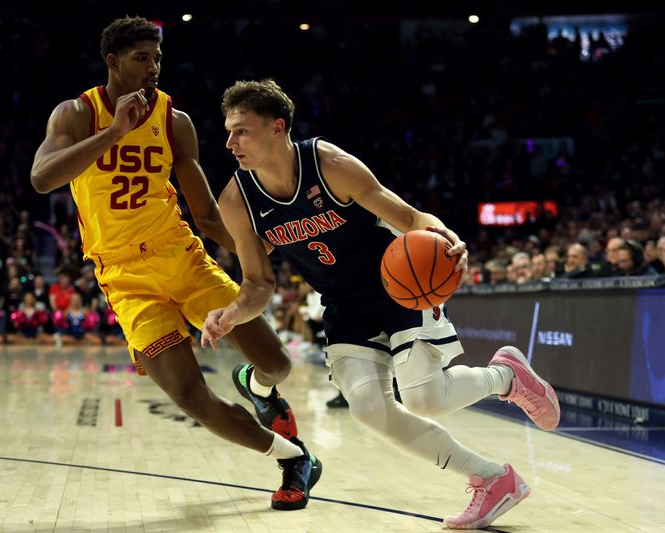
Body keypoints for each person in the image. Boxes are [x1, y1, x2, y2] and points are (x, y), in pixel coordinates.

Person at [202, 79, 560, 529]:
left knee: (425, 397)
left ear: (277, 128)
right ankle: (492, 479)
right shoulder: (237, 199)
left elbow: (409, 218)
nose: (230, 141)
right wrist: (232, 313)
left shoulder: (329, 164)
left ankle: (506, 376)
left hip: (399, 285)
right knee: (369, 409)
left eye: (242, 130)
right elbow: (257, 282)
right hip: (342, 304)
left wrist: (446, 236)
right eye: (229, 130)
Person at [30, 18, 320, 510]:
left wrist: (252, 255)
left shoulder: (174, 121)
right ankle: (294, 458)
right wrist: (115, 132)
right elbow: (41, 178)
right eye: (142, 57)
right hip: (124, 278)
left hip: (182, 258)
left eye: (158, 57)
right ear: (113, 63)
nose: (153, 67)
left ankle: (257, 387)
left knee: (276, 362)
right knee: (189, 395)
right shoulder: (77, 114)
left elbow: (204, 212)